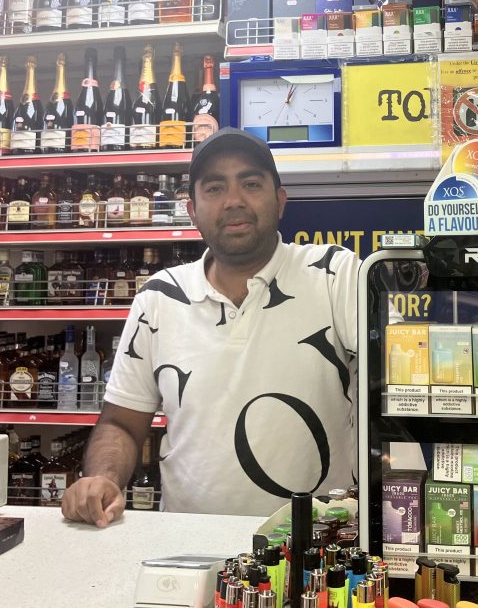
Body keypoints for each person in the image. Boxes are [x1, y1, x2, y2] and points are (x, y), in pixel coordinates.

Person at [62, 129, 360, 527]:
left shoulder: (336, 274)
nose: (234, 201)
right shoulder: (159, 298)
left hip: (316, 545)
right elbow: (121, 423)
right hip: (188, 542)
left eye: (251, 184)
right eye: (215, 188)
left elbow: (395, 385)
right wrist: (103, 478)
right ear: (192, 210)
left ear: (280, 201)